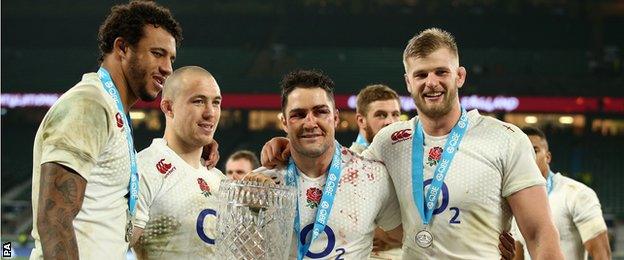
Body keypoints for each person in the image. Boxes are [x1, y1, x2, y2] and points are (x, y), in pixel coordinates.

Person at [261, 28, 562, 259]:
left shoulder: (504, 139)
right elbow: (338, 174)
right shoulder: (390, 141)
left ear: (459, 76)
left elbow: (539, 233)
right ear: (408, 82)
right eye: (421, 74)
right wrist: (288, 144)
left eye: (441, 72)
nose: (431, 82)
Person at [29, 1, 182, 259]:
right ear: (122, 47)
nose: (168, 68)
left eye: (171, 58)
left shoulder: (113, 113)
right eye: (158, 53)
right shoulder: (89, 104)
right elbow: (55, 217)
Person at [252, 69, 404, 259]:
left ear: (335, 118)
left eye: (321, 112)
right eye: (298, 114)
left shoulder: (372, 176)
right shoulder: (263, 184)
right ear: (284, 122)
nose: (310, 123)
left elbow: (411, 237)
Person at [130, 66, 225, 259]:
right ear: (168, 107)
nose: (210, 113)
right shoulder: (144, 169)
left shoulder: (220, 179)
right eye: (198, 101)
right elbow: (113, 247)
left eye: (216, 103)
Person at [512, 127, 611, 260]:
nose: (528, 157)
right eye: (522, 152)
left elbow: (602, 255)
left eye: (534, 151)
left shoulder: (577, 194)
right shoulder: (516, 202)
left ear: (548, 157)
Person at [350, 84, 402, 154]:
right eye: (381, 115)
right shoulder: (349, 163)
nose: (390, 122)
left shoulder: (402, 157)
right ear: (361, 121)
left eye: (395, 114)